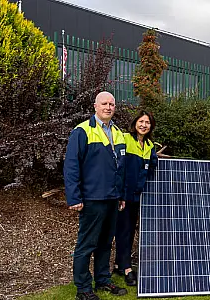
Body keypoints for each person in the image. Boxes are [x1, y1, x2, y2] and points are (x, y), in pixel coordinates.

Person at [64, 91, 128, 300]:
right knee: (86, 244)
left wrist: (120, 195)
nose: (108, 107)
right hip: (92, 199)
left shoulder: (118, 132)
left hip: (112, 198)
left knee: (105, 243)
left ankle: (102, 280)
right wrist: (74, 197)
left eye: (112, 104)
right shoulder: (82, 131)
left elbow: (121, 168)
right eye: (104, 103)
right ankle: (83, 288)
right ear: (95, 106)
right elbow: (72, 166)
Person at [113, 111, 158, 286]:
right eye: (141, 121)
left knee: (129, 230)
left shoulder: (149, 145)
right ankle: (126, 269)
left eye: (147, 122)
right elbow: (119, 168)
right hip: (124, 195)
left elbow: (152, 165)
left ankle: (119, 264)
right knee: (124, 231)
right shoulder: (125, 138)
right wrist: (121, 195)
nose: (144, 125)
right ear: (135, 123)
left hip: (137, 196)